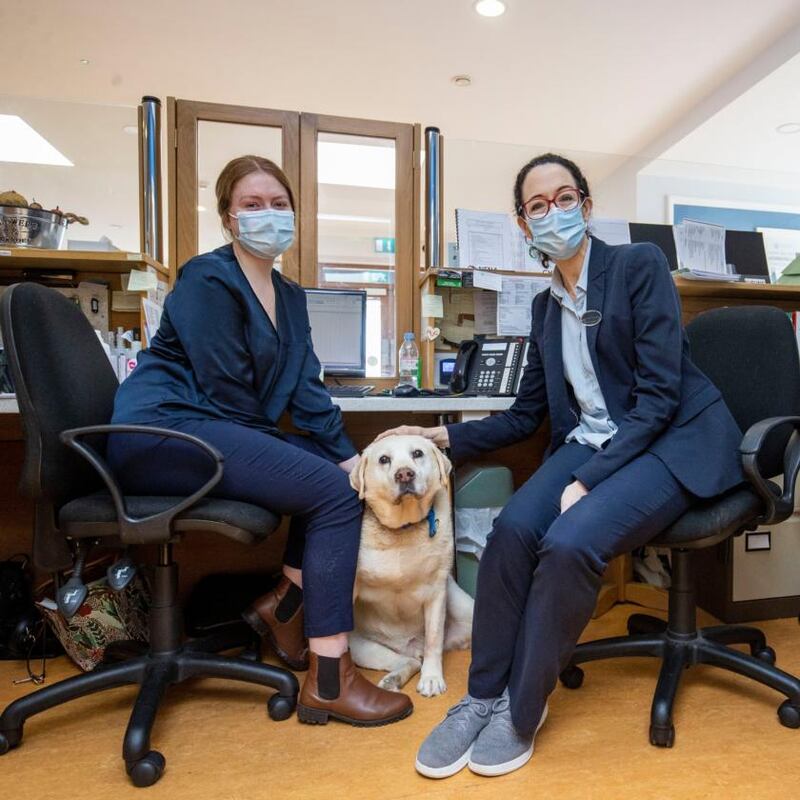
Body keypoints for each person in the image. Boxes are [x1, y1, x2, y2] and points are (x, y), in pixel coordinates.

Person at [377, 153, 744, 777]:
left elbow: (657, 398)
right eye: (537, 206)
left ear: (587, 203)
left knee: (571, 543)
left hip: (670, 439)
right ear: (524, 225)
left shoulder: (636, 266)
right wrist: (438, 436)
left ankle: (523, 708)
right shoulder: (545, 309)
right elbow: (526, 416)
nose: (554, 212)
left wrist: (586, 482)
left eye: (564, 197)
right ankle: (480, 696)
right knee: (512, 530)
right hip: (597, 443)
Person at [107, 155, 412, 727]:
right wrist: (324, 467)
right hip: (162, 432)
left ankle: (285, 608)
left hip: (213, 432)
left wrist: (352, 458)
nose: (268, 215)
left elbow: (307, 390)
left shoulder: (290, 297)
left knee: (339, 480)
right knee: (330, 492)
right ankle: (329, 680)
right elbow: (227, 392)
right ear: (228, 218)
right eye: (252, 205)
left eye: (279, 204)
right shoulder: (208, 278)